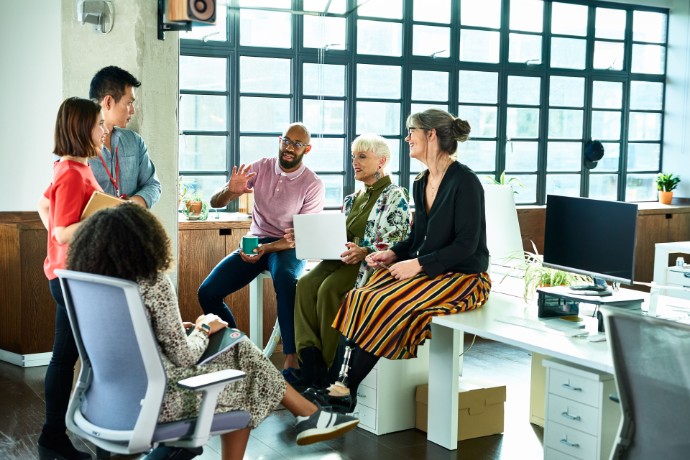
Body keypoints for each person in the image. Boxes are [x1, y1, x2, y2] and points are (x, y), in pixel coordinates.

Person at [66, 204, 359, 460]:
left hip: (105, 398)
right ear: (145, 242)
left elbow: (125, 335)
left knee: (237, 344)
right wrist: (204, 329)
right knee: (245, 385)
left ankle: (308, 415)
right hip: (160, 398)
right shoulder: (153, 283)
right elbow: (183, 355)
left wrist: (168, 329)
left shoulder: (93, 284)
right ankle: (309, 415)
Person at [308, 109, 492, 412]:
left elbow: (466, 245)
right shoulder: (421, 182)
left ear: (430, 135)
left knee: (385, 303)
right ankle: (336, 387)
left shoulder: (465, 182)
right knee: (359, 296)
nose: (407, 138)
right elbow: (418, 237)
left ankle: (342, 392)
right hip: (431, 271)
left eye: (412, 131)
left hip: (464, 278)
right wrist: (393, 254)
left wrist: (416, 265)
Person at [198, 122, 324, 381]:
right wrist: (229, 191)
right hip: (255, 240)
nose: (289, 148)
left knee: (287, 280)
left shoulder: (312, 184)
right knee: (208, 292)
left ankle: (291, 358)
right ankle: (238, 350)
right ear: (280, 141)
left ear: (307, 149)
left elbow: (299, 238)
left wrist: (265, 248)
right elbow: (214, 202)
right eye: (286, 141)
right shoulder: (260, 167)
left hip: (287, 246)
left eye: (297, 144)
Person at [288, 134, 411, 389]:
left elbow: (399, 239)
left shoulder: (394, 196)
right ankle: (310, 362)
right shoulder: (353, 198)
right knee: (305, 284)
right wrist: (308, 238)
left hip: (368, 263)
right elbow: (339, 235)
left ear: (382, 161)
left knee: (328, 290)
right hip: (340, 258)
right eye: (354, 156)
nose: (355, 162)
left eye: (362, 157)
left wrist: (364, 251)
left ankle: (330, 368)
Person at [36, 97, 109, 460]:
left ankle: (55, 439)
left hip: (69, 276)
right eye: (98, 123)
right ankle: (99, 438)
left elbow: (45, 207)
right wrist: (106, 218)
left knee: (64, 358)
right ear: (82, 128)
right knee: (86, 359)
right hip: (72, 279)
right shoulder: (69, 171)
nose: (103, 129)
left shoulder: (71, 167)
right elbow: (64, 231)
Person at [88, 66, 161, 208]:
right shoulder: (76, 147)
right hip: (95, 229)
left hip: (130, 227)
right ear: (108, 101)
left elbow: (153, 185)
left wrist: (129, 206)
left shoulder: (135, 141)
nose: (132, 110)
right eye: (129, 103)